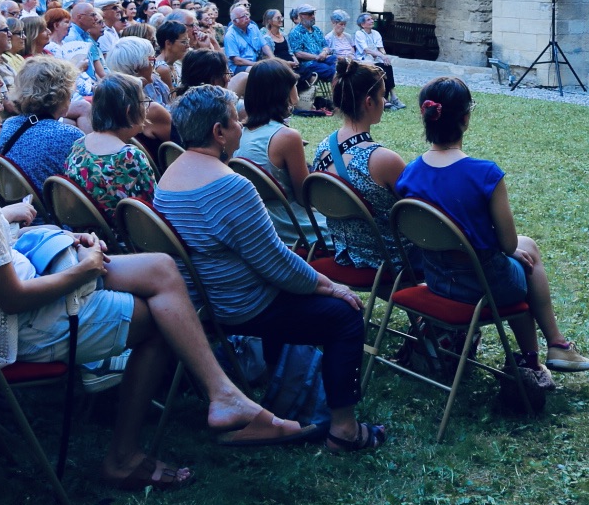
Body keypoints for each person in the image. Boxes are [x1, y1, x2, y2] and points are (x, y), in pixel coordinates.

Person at [0, 64, 313, 489]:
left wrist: (35, 228)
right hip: (3, 328)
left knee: (162, 268)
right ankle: (126, 455)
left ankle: (224, 395)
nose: (4, 104)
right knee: (158, 322)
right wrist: (82, 270)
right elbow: (13, 299)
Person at [156, 85, 380, 453]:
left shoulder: (169, 176)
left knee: (318, 302)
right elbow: (277, 264)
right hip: (238, 305)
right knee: (345, 315)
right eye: (236, 120)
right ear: (218, 132)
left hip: (203, 299)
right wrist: (330, 285)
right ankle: (345, 430)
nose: (242, 126)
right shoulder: (229, 185)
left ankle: (282, 389)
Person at [396, 77, 589, 387]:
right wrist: (511, 249)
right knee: (527, 256)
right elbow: (507, 243)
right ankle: (550, 348)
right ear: (465, 119)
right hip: (483, 287)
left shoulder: (409, 174)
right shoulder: (485, 173)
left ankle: (549, 351)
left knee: (521, 253)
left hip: (436, 280)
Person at [310, 61, 405, 273]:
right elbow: (414, 213)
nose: (385, 101)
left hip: (343, 252)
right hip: (387, 259)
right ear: (369, 102)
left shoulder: (324, 147)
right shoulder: (383, 159)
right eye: (382, 95)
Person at [63, 73, 156, 214]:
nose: (146, 109)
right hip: (123, 234)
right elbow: (153, 209)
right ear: (128, 111)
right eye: (143, 103)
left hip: (88, 234)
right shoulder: (129, 156)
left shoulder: (79, 145)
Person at [237, 60, 310, 242]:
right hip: (287, 224)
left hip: (252, 221)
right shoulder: (287, 137)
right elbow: (304, 198)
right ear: (284, 90)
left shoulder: (240, 132)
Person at [0, 57, 86, 193]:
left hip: (17, 203)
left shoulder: (9, 125)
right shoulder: (71, 135)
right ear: (60, 94)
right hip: (49, 211)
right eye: (70, 93)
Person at [222, 3, 270, 75]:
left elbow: (264, 45)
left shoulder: (253, 27)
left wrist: (273, 59)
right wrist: (256, 64)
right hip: (239, 67)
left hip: (256, 62)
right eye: (243, 16)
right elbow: (237, 61)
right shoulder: (230, 35)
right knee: (259, 71)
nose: (247, 17)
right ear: (235, 21)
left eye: (247, 14)